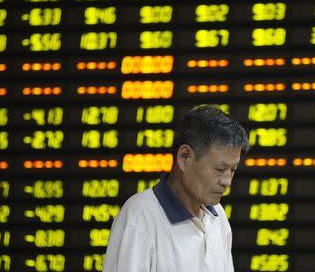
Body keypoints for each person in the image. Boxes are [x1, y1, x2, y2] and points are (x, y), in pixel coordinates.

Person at [102, 105, 249, 272]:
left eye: (233, 170)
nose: (227, 181)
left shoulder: (218, 217)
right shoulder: (139, 217)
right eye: (220, 169)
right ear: (184, 157)